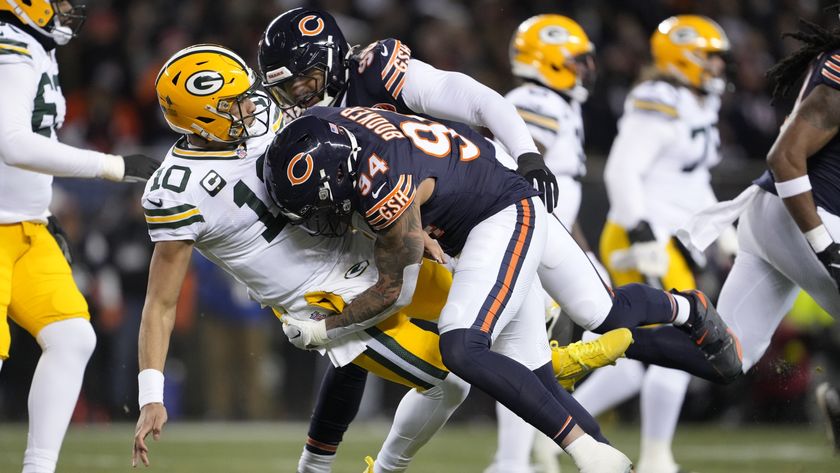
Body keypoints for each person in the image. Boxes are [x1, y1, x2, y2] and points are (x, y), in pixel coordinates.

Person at [258, 8, 743, 471]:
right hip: (469, 211)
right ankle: (629, 409)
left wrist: (528, 155)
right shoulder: (309, 135)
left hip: (491, 202)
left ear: (331, 58)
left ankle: (685, 317)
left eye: (304, 77)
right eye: (285, 85)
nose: (298, 92)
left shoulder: (377, 72)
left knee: (501, 341)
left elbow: (475, 99)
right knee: (554, 359)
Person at [129, 44, 627, 472]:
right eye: (232, 105)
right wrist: (152, 393)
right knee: (451, 377)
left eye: (244, 96)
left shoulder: (264, 113)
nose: (250, 108)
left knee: (478, 325)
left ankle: (541, 371)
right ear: (201, 120)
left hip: (365, 248)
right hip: (321, 293)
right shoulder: (177, 193)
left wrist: (406, 224)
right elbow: (160, 303)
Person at [571, 15, 734, 473]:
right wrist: (640, 230)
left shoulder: (695, 101)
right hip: (639, 231)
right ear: (683, 55)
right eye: (711, 58)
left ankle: (561, 429)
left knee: (641, 351)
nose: (719, 68)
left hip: (665, 236)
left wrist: (720, 231)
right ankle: (657, 457)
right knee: (677, 338)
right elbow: (623, 168)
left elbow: (689, 180)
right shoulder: (659, 98)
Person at [0, 2, 157, 472]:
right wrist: (111, 166)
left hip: (26, 225)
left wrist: (40, 211)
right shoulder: (9, 45)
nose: (70, 8)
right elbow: (10, 142)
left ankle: (39, 468)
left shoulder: (35, 47)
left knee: (72, 337)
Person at [677, 14, 840, 456]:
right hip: (806, 214)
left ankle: (602, 337)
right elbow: (786, 156)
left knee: (726, 354)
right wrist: (827, 246)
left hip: (771, 215)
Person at [484, 14, 604, 473]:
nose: (585, 69)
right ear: (549, 61)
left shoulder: (558, 104)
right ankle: (512, 460)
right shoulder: (534, 101)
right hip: (528, 242)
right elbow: (518, 180)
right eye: (576, 60)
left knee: (598, 333)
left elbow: (561, 195)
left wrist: (583, 251)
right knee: (523, 351)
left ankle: (540, 444)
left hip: (551, 242)